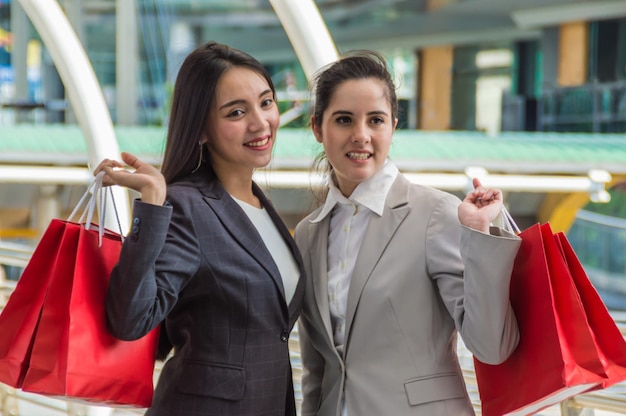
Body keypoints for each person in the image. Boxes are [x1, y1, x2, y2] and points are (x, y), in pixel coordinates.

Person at [294, 50, 522, 416]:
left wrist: (479, 231)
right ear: (318, 128)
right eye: (344, 119)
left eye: (376, 120)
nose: (361, 135)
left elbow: (492, 346)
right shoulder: (309, 234)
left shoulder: (435, 214)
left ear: (393, 127)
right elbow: (317, 369)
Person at [94, 41, 305, 416]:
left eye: (266, 102)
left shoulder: (261, 206)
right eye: (236, 112)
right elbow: (131, 320)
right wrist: (154, 203)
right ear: (202, 130)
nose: (260, 122)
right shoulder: (186, 206)